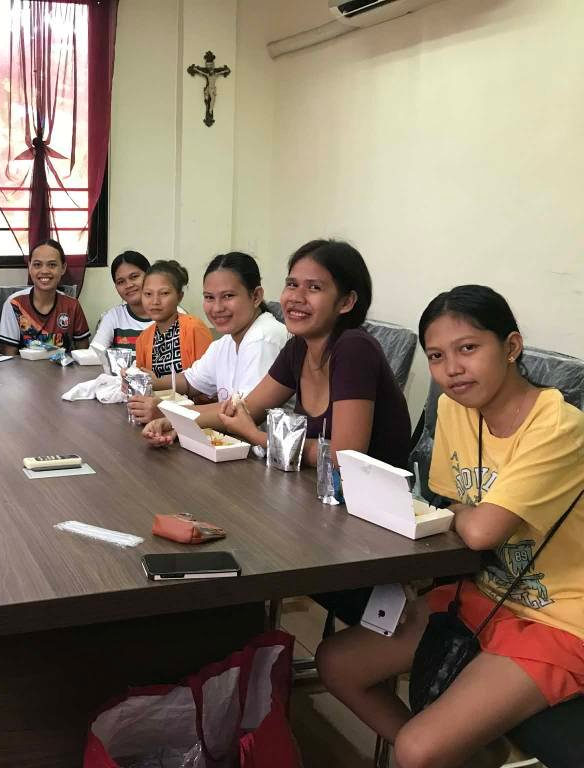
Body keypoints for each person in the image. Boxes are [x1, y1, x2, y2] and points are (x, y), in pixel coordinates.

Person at [316, 285, 584, 768]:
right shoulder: (454, 409)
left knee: (418, 749)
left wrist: (464, 515)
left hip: (560, 620)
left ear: (511, 347)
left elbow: (478, 530)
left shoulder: (559, 426)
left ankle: (437, 752)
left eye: (468, 348)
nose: (452, 369)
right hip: (483, 592)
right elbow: (454, 504)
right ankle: (474, 756)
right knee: (336, 664)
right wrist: (462, 516)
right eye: (436, 356)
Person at [168, 239, 410, 470]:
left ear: (346, 302)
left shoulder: (354, 348)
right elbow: (244, 409)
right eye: (292, 284)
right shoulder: (298, 348)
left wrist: (258, 437)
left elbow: (343, 457)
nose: (295, 297)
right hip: (313, 484)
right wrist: (172, 420)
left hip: (368, 497)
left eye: (314, 287)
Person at [129, 252, 287, 427]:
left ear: (256, 296)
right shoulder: (226, 342)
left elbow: (244, 412)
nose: (217, 308)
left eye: (228, 296)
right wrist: (148, 381)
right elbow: (191, 382)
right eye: (209, 297)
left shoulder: (263, 337)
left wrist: (170, 412)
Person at [0, 239, 90, 354]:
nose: (45, 271)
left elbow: (83, 353)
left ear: (63, 268)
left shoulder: (72, 305)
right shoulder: (14, 304)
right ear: (29, 267)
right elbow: (9, 357)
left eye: (52, 265)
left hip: (62, 366)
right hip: (23, 366)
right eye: (37, 265)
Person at [133, 260, 212, 379]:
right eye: (148, 294)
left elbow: (208, 380)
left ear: (179, 297)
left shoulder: (194, 329)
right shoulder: (143, 339)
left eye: (164, 293)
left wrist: (159, 384)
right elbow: (142, 382)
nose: (155, 301)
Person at [92, 250, 153, 352]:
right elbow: (94, 354)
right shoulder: (113, 316)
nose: (128, 285)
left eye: (134, 277)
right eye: (121, 282)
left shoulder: (174, 316)